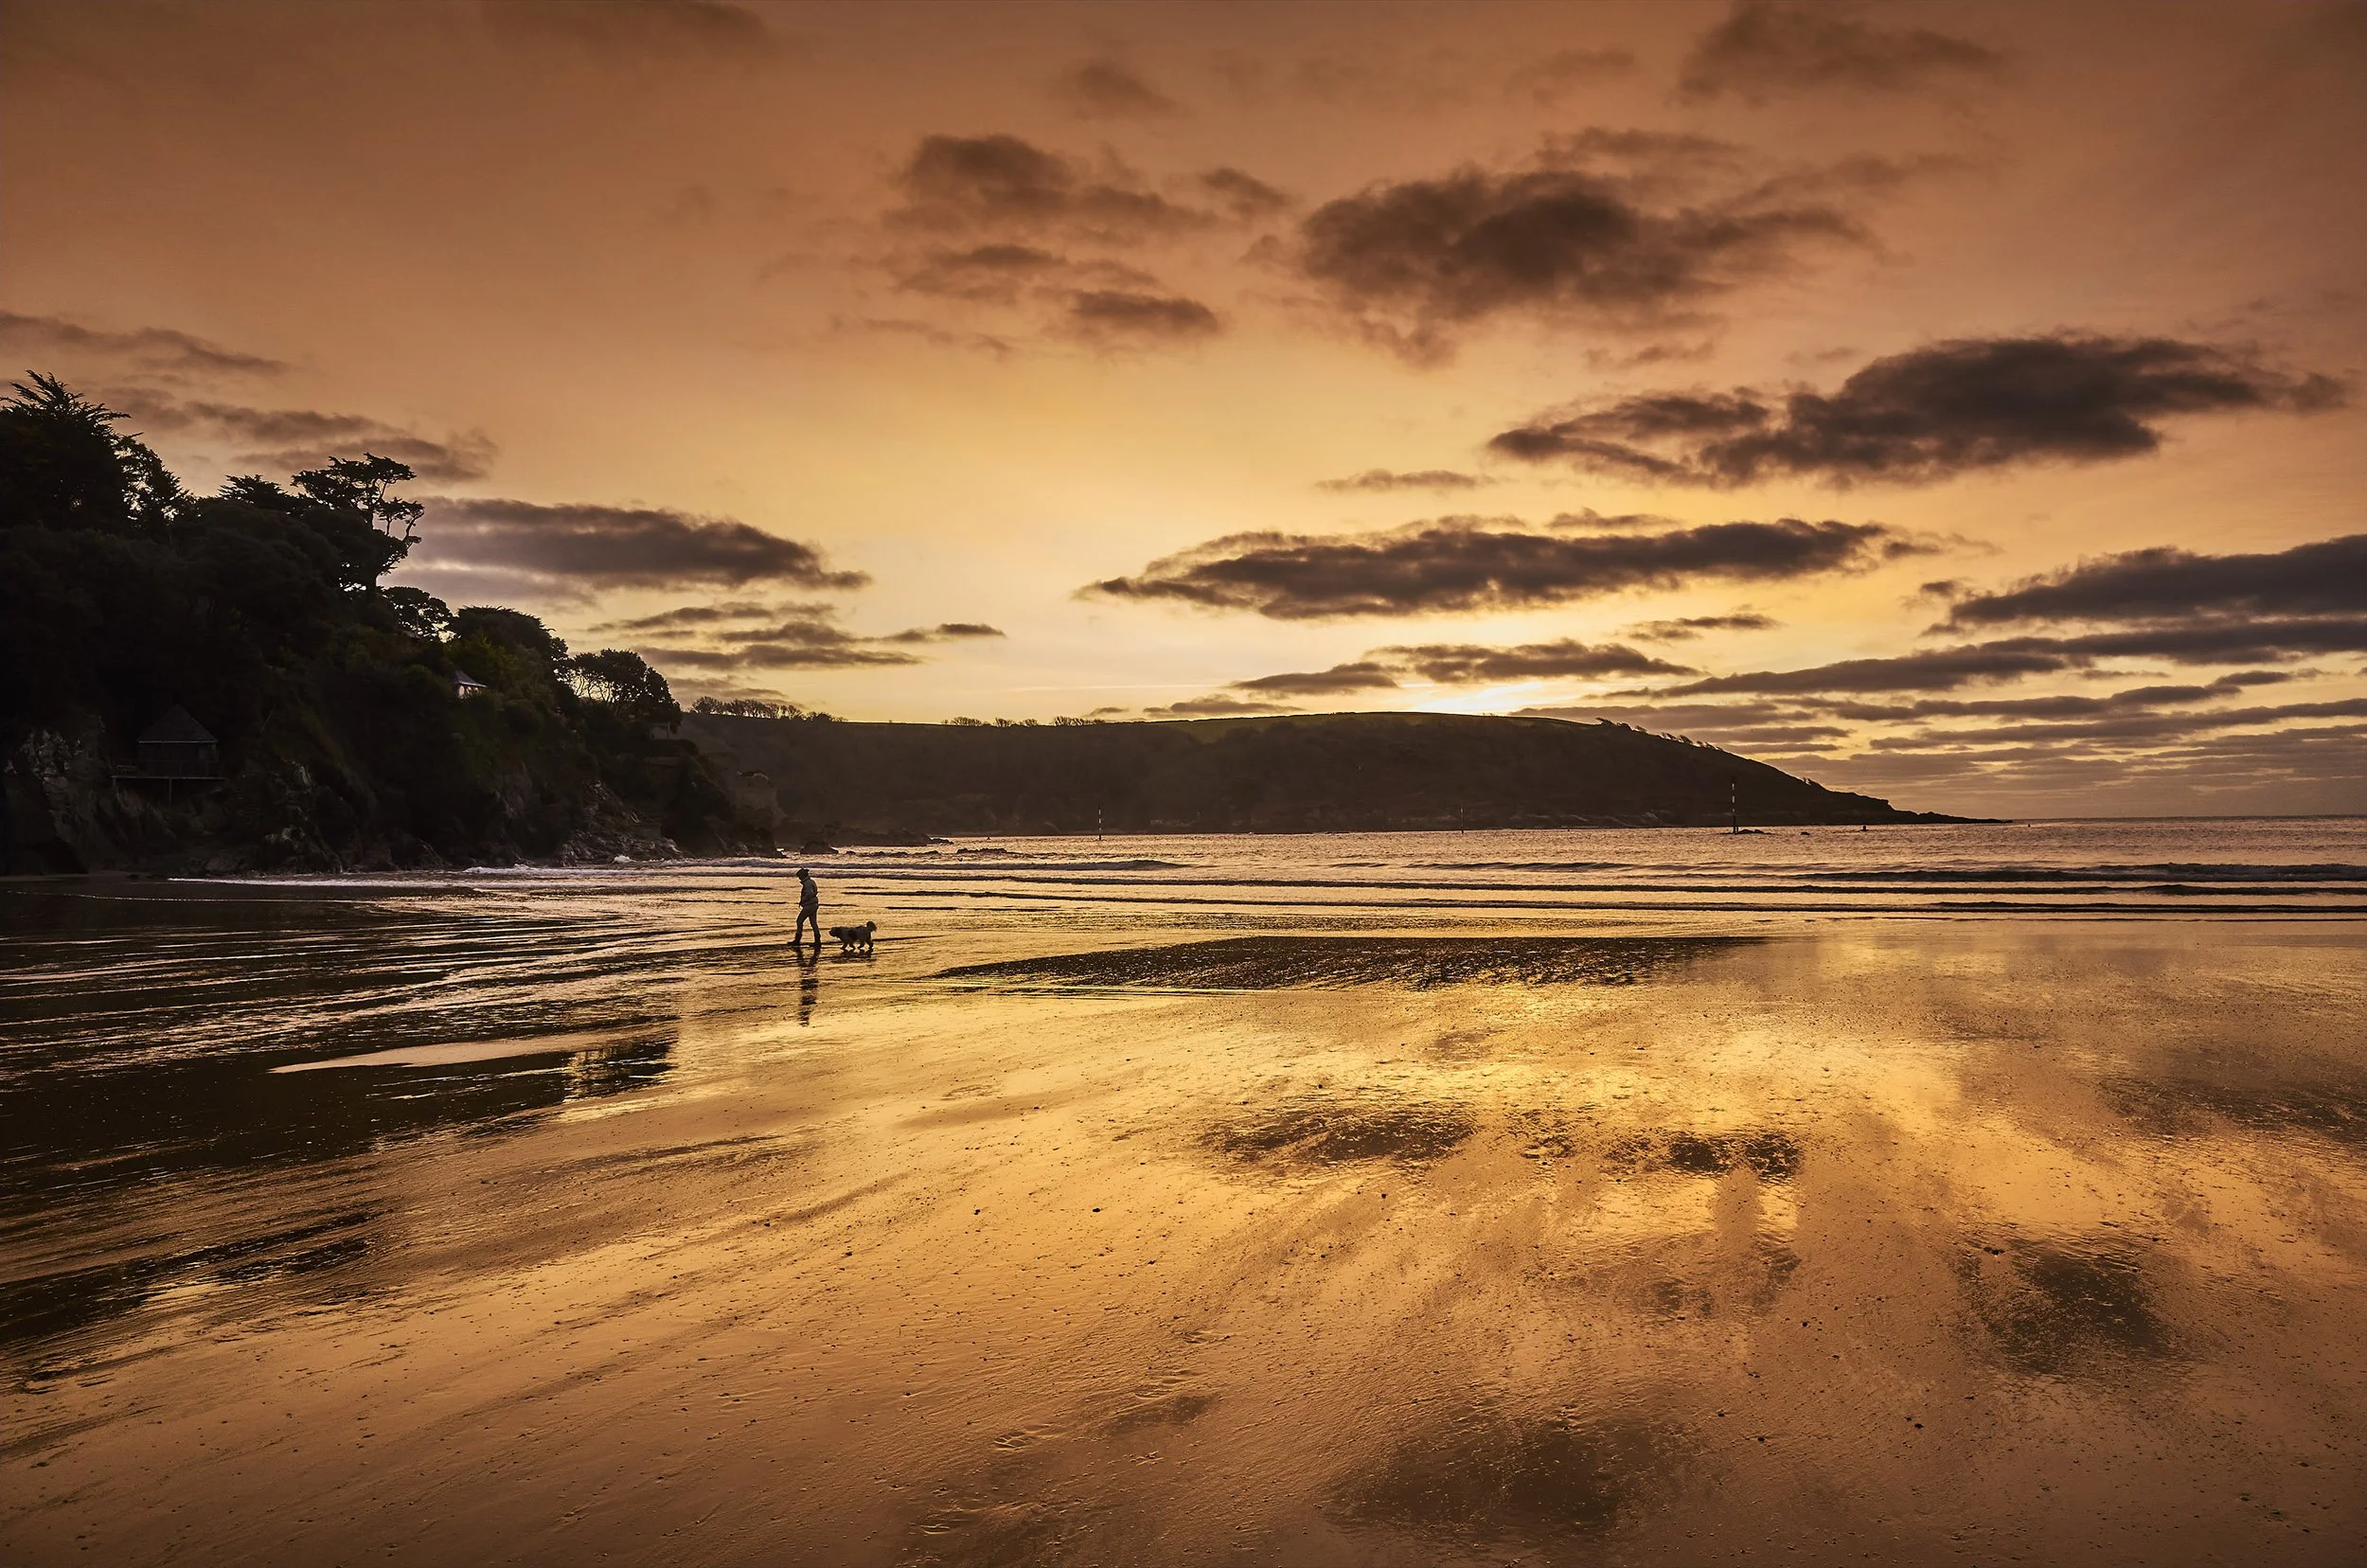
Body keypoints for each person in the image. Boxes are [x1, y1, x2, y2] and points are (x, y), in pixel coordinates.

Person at [793, 866, 822, 949]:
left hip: (809, 905)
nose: (799, 878)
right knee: (813, 923)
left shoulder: (807, 883)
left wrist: (803, 900)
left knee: (799, 921)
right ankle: (817, 941)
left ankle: (797, 940)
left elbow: (809, 893)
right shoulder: (811, 881)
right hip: (814, 904)